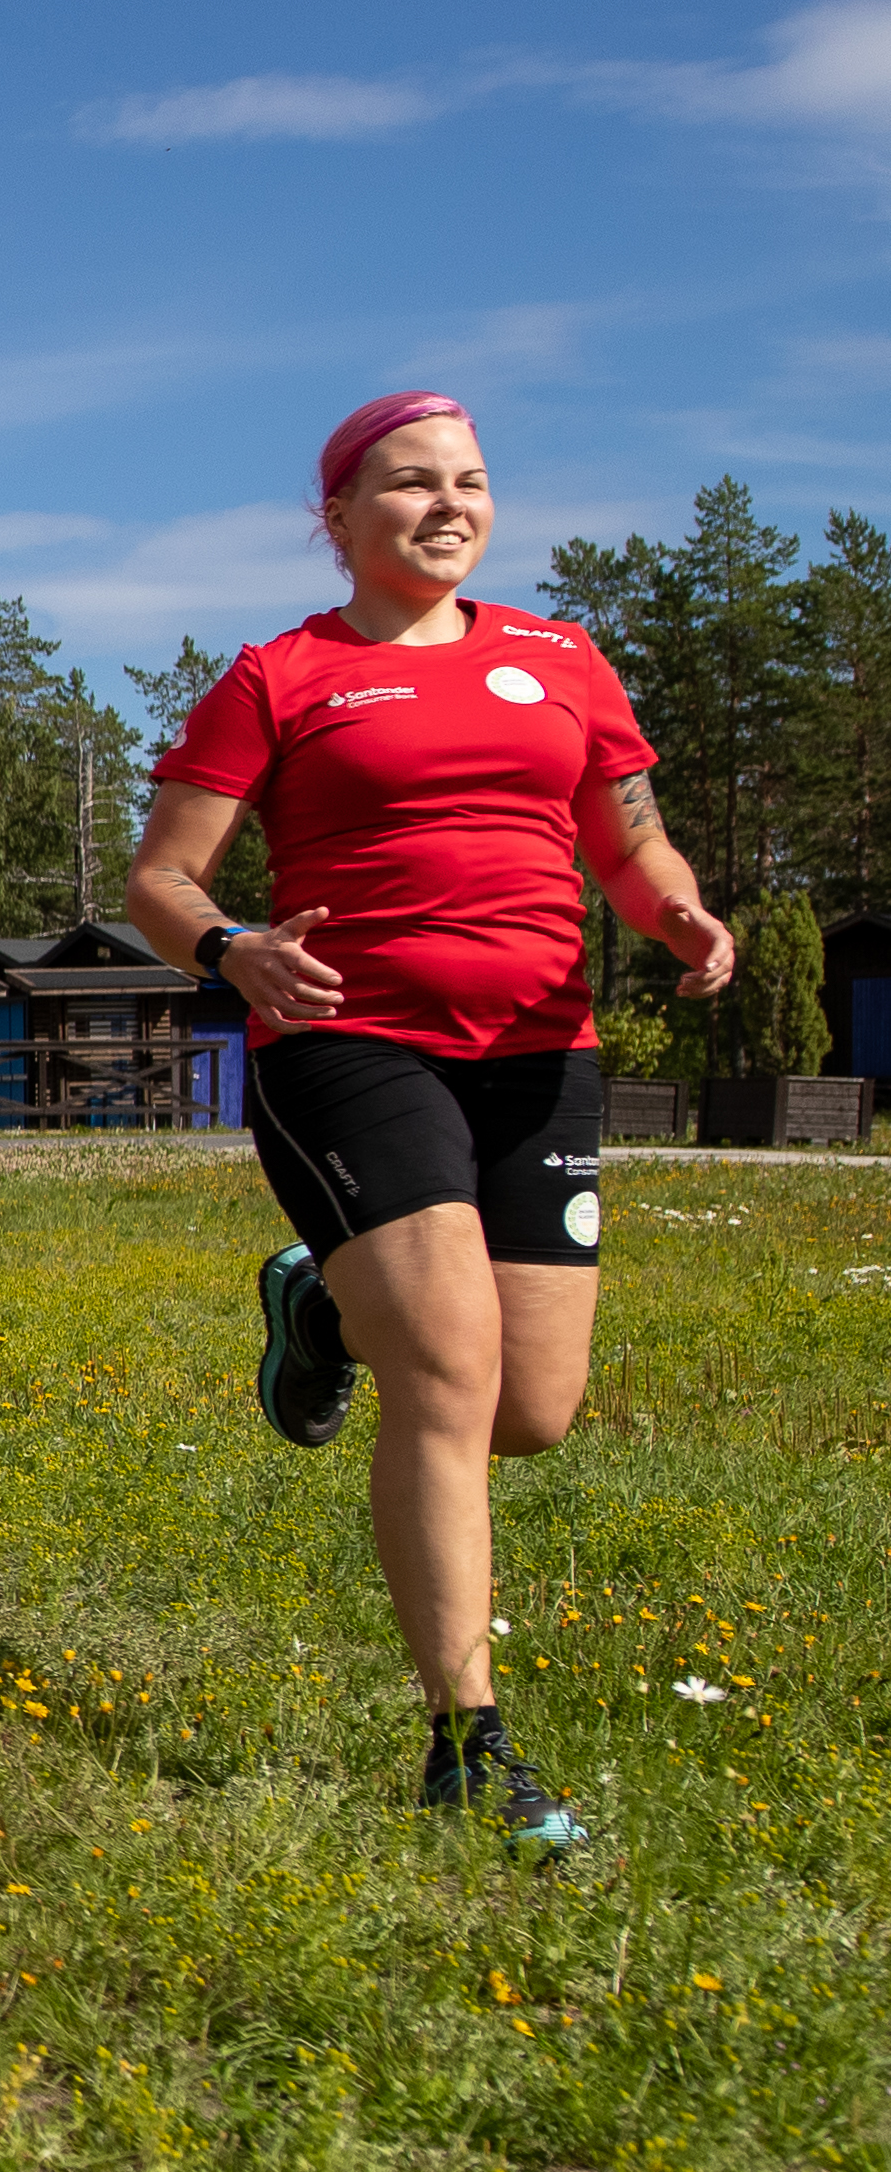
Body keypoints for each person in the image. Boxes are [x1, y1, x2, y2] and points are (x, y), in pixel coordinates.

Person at [129, 391, 726, 1860]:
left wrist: (677, 909)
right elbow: (163, 875)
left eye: (468, 480)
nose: (447, 504)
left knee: (532, 1410)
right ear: (338, 515)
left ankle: (320, 1304)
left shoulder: (561, 658)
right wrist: (234, 949)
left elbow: (630, 838)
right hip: (346, 1039)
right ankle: (470, 1745)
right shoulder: (282, 674)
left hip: (539, 1053)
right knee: (450, 1374)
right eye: (408, 483)